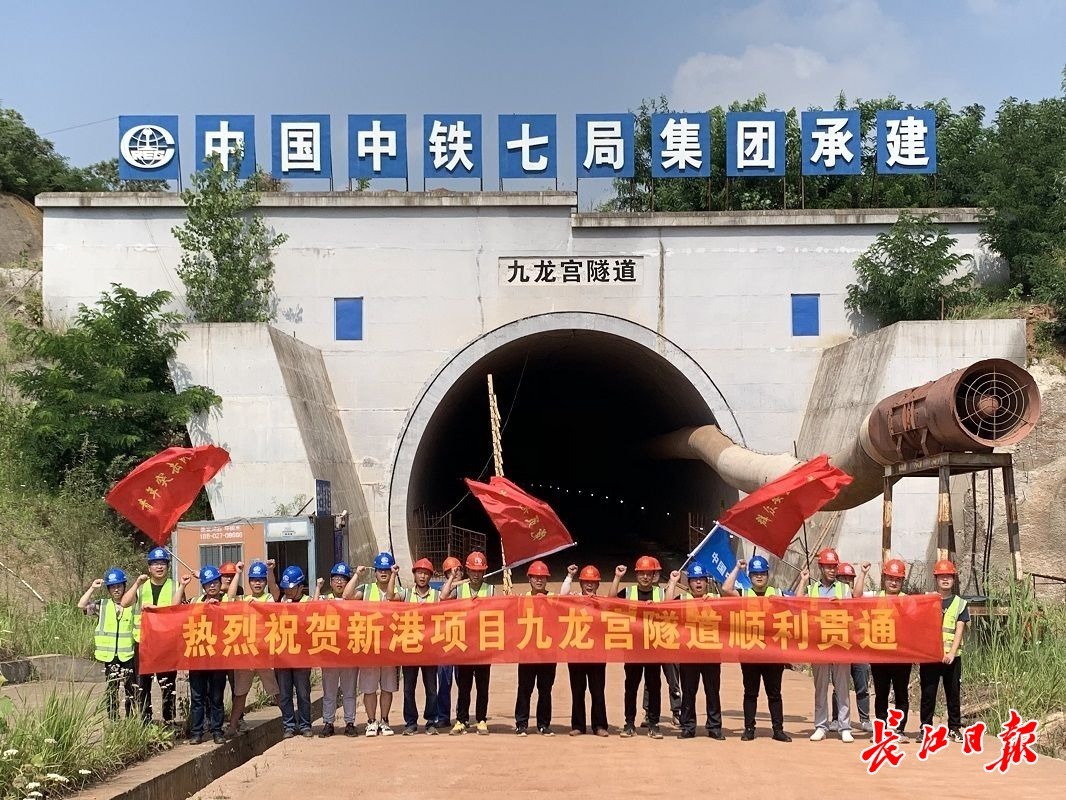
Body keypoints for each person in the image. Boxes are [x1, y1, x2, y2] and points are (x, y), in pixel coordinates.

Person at [722, 556, 792, 742]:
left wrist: (803, 580)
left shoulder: (777, 593)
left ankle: (778, 730)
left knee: (774, 694)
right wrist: (737, 568)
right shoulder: (744, 593)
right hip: (750, 652)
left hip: (773, 653)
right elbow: (726, 589)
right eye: (755, 574)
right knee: (751, 693)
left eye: (762, 573)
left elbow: (798, 600)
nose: (759, 577)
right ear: (750, 576)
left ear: (767, 574)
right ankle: (749, 729)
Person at [122, 546, 189, 726]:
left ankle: (169, 719)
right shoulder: (141, 587)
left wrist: (181, 587)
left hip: (166, 643)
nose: (159, 567)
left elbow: (175, 608)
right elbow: (124, 602)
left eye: (162, 563)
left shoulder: (175, 585)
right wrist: (136, 584)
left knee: (167, 683)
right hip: (144, 642)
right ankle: (146, 720)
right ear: (149, 567)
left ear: (168, 566)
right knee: (142, 683)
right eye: (155, 563)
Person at [610, 556, 674, 739]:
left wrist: (673, 582)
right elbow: (611, 600)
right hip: (633, 648)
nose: (645, 577)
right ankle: (629, 724)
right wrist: (617, 577)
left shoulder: (660, 593)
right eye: (642, 573)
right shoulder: (628, 592)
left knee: (654, 686)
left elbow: (671, 606)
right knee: (631, 686)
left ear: (654, 576)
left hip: (654, 647)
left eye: (649, 574)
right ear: (637, 574)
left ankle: (654, 724)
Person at [344, 552, 400, 736]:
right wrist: (357, 575)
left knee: (387, 687)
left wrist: (394, 575)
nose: (383, 573)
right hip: (369, 646)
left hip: (390, 647)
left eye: (387, 570)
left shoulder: (398, 590)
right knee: (369, 688)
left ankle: (384, 721)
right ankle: (371, 721)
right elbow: (347, 595)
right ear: (375, 571)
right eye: (380, 570)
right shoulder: (366, 589)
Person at [224, 560, 281, 738]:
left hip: (265, 654)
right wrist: (238, 573)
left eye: (261, 580)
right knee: (240, 693)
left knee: (275, 691)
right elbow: (230, 598)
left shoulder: (269, 598)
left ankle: (289, 722)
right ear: (249, 582)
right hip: (246, 654)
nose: (257, 583)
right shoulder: (243, 599)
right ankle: (233, 726)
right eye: (254, 580)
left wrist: (270, 572)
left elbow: (276, 592)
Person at [803, 548, 854, 743]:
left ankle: (845, 726)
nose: (832, 570)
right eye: (828, 567)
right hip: (819, 643)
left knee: (842, 687)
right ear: (821, 568)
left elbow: (854, 612)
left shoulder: (844, 589)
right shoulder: (811, 589)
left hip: (840, 642)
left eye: (834, 567)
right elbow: (798, 607)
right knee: (821, 687)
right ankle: (821, 726)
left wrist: (841, 605)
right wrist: (802, 580)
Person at [670, 563, 725, 740]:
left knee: (712, 691)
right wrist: (673, 582)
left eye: (702, 579)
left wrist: (714, 603)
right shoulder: (682, 599)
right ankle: (688, 727)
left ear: (707, 582)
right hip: (689, 653)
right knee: (689, 691)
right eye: (695, 580)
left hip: (711, 652)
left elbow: (732, 606)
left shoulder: (716, 599)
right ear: (689, 583)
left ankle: (714, 727)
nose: (699, 583)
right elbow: (665, 605)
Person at [919, 559, 968, 744]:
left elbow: (959, 630)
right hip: (930, 657)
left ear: (953, 579)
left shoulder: (960, 603)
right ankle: (925, 728)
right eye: (942, 576)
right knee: (928, 694)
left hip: (951, 658)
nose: (945, 580)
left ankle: (954, 728)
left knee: (953, 694)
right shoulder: (927, 600)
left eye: (949, 576)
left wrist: (951, 653)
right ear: (936, 579)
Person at [863, 558, 913, 741]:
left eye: (897, 579)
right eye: (891, 578)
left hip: (901, 656)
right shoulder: (875, 597)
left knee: (901, 694)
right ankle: (881, 729)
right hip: (880, 655)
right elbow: (856, 596)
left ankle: (899, 730)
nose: (893, 582)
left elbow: (918, 622)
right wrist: (863, 574)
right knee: (881, 694)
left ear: (902, 581)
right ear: (884, 578)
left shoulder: (908, 600)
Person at [446, 550, 495, 735]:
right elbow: (443, 597)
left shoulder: (490, 590)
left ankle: (481, 719)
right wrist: (452, 578)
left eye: (479, 571)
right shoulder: (460, 589)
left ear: (484, 572)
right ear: (467, 571)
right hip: (464, 645)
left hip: (483, 646)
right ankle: (461, 720)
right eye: (473, 570)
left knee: (482, 686)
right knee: (464, 686)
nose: (476, 574)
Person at [313, 561, 364, 737]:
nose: (339, 582)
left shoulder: (355, 598)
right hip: (330, 651)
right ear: (330, 581)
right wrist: (318, 588)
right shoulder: (324, 599)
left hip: (349, 651)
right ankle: (328, 722)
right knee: (329, 691)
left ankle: (350, 722)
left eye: (343, 579)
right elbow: (311, 610)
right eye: (336, 579)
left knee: (349, 691)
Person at [79, 568, 136, 720]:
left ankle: (131, 719)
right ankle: (113, 719)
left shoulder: (133, 604)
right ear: (108, 589)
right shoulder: (102, 605)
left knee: (131, 689)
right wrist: (92, 588)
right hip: (110, 656)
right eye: (112, 587)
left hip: (128, 654)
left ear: (124, 586)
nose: (116, 589)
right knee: (112, 689)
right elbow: (81, 605)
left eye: (119, 586)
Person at [564, 565, 609, 737]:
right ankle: (578, 725)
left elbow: (616, 602)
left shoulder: (603, 602)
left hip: (597, 654)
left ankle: (600, 725)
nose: (589, 585)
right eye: (586, 582)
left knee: (597, 691)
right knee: (577, 691)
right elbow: (562, 595)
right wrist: (569, 576)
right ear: (581, 583)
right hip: (576, 653)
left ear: (598, 584)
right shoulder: (573, 599)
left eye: (593, 582)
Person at [514, 560, 557, 736]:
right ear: (529, 579)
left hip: (548, 652)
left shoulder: (554, 598)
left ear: (547, 579)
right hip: (528, 652)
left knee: (545, 690)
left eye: (542, 577)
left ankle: (543, 724)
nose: (539, 580)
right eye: (535, 577)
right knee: (524, 689)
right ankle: (521, 723)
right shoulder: (522, 599)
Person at [188, 565, 229, 745]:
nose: (212, 586)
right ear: (203, 586)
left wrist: (218, 607)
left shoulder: (227, 600)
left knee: (216, 697)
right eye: (208, 583)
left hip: (218, 657)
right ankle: (197, 732)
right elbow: (181, 613)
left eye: (215, 582)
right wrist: (204, 608)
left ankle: (217, 730)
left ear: (220, 583)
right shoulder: (196, 602)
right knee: (197, 697)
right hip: (198, 655)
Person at [832, 561, 874, 734]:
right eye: (843, 578)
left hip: (858, 649)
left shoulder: (861, 597)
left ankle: (865, 719)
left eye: (850, 578)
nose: (846, 581)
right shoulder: (832, 599)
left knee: (862, 685)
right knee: (839, 687)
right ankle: (836, 719)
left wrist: (863, 573)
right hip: (840, 649)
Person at [402, 558, 440, 735]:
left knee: (431, 688)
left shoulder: (436, 596)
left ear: (430, 576)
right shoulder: (406, 595)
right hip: (410, 649)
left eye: (426, 573)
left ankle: (431, 721)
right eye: (419, 573)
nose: (422, 576)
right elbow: (390, 596)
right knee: (408, 688)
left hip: (430, 650)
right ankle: (410, 722)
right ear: (414, 575)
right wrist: (393, 574)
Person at [275, 565, 313, 739]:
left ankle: (305, 725)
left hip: (302, 656)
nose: (288, 591)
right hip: (282, 655)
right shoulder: (279, 602)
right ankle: (289, 726)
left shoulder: (308, 602)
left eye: (291, 588)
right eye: (285, 588)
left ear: (300, 587)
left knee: (303, 693)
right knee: (285, 694)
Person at [435, 556, 462, 729]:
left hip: (462, 640)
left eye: (458, 570)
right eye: (452, 571)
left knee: (463, 681)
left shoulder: (466, 589)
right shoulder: (442, 589)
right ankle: (443, 716)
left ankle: (461, 715)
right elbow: (444, 596)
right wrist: (452, 580)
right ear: (446, 573)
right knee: (444, 681)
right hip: (445, 641)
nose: (456, 573)